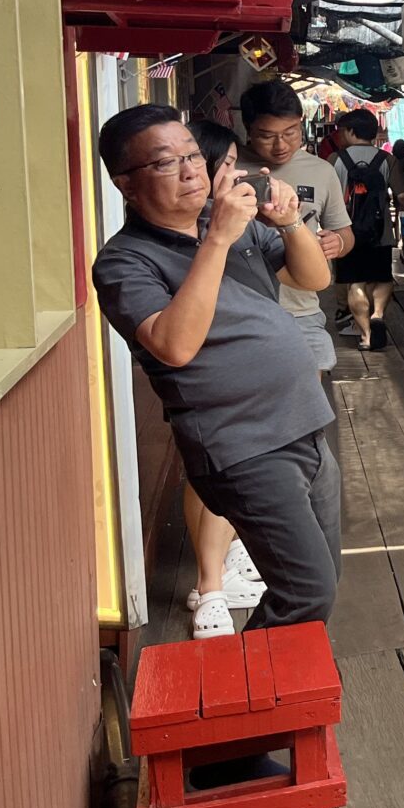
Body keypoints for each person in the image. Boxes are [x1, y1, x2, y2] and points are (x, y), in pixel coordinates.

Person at [93, 105, 343, 633]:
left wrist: (290, 220)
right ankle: (255, 704)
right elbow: (173, 345)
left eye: (192, 156)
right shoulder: (124, 262)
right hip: (243, 447)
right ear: (126, 185)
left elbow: (314, 278)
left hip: (305, 424)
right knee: (307, 590)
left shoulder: (223, 221)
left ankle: (283, 696)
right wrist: (217, 240)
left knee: (322, 580)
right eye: (166, 163)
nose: (191, 171)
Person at [162, 120, 273, 636]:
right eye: (225, 162)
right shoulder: (179, 232)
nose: (236, 171)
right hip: (206, 373)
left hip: (249, 370)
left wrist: (291, 226)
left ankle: (224, 563)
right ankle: (209, 587)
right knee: (212, 474)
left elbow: (306, 276)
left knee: (227, 475)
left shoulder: (236, 221)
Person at [239, 79, 353, 377]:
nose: (281, 145)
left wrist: (338, 243)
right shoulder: (229, 166)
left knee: (307, 410)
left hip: (300, 308)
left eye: (290, 132)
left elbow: (344, 232)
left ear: (301, 122)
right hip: (239, 312)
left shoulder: (322, 170)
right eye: (267, 136)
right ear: (248, 129)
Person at [329, 108, 403, 350]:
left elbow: (327, 197)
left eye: (342, 131)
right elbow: (402, 194)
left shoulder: (335, 160)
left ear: (351, 131)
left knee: (355, 284)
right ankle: (378, 313)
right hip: (380, 232)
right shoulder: (387, 159)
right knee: (382, 278)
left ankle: (366, 335)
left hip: (345, 233)